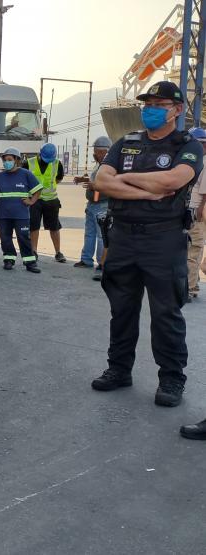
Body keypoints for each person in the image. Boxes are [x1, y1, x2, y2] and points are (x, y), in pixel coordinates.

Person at [89, 80, 203, 407]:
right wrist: (146, 190)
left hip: (163, 239)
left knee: (166, 312)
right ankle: (118, 369)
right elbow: (101, 181)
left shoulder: (187, 146)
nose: (151, 110)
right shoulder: (126, 142)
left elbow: (172, 180)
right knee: (121, 309)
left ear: (177, 110)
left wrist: (123, 179)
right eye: (148, 104)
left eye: (159, 105)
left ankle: (171, 378)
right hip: (123, 236)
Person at [0, 147, 42, 273]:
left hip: (21, 215)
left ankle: (30, 262)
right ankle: (9, 259)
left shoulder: (26, 174)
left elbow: (38, 189)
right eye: (5, 160)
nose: (6, 162)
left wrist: (31, 201)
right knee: (5, 238)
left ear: (17, 160)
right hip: (3, 215)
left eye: (9, 160)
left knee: (23, 238)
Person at [73, 136, 113, 281]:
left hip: (102, 205)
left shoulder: (110, 167)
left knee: (101, 235)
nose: (94, 154)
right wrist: (83, 180)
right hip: (92, 204)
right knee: (89, 233)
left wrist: (94, 186)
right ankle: (86, 260)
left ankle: (101, 263)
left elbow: (109, 186)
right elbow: (95, 181)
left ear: (105, 152)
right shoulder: (99, 165)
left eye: (97, 151)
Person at [24, 143, 66, 262]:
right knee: (34, 226)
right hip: (34, 200)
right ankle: (34, 251)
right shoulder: (28, 163)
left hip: (51, 200)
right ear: (39, 154)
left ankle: (58, 252)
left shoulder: (57, 163)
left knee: (54, 227)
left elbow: (59, 178)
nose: (48, 161)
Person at [185, 127, 206, 301]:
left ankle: (192, 284)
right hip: (196, 212)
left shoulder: (192, 161)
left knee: (190, 251)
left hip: (191, 211)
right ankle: (190, 286)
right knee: (194, 250)